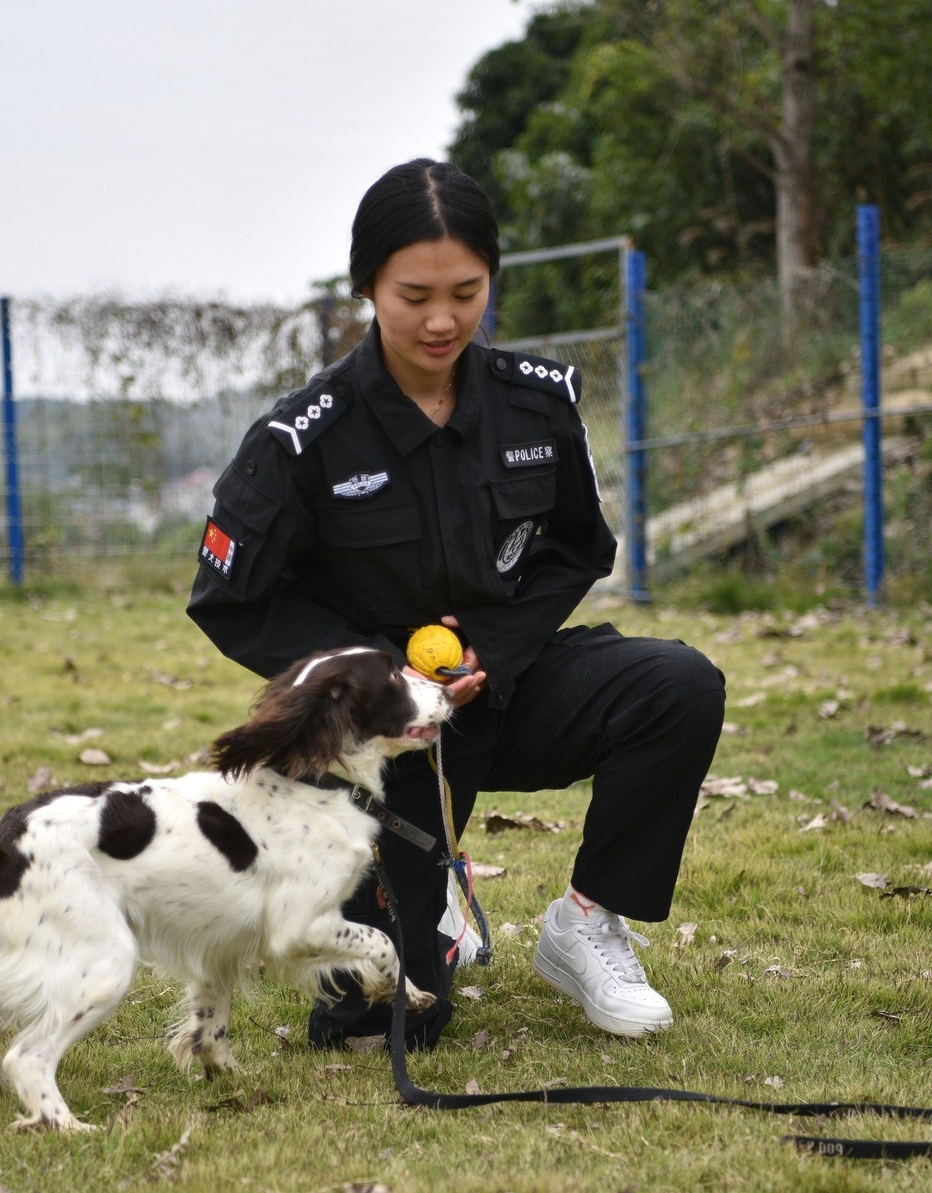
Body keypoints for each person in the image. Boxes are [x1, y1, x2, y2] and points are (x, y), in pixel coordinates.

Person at [187, 158, 725, 1049]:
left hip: (504, 693)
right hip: (381, 739)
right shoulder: (302, 436)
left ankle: (587, 920)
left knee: (676, 684)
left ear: (491, 281)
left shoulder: (537, 404)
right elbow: (231, 600)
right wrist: (373, 675)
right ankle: (439, 898)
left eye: (466, 292)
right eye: (413, 295)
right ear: (367, 287)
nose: (442, 319)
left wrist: (497, 648)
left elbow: (577, 549)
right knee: (379, 1022)